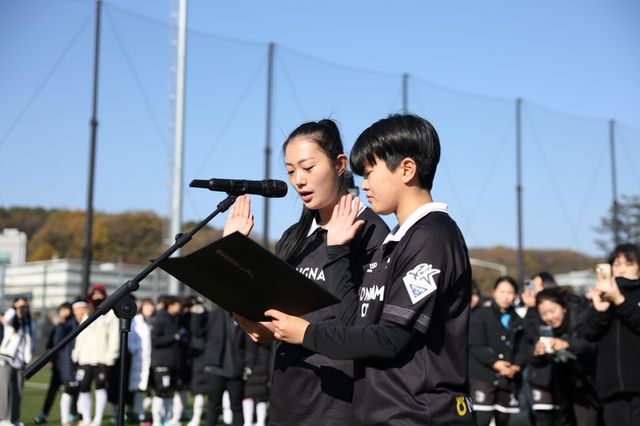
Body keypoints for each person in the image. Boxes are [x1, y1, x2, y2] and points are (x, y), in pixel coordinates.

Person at [262, 114, 475, 425]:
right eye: (291, 171)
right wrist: (336, 252)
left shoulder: (431, 236)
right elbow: (355, 324)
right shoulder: (397, 242)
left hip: (419, 414)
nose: (363, 184)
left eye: (370, 172)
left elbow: (391, 337)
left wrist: (306, 333)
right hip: (381, 413)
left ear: (406, 169)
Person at [228, 119, 389, 425]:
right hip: (287, 400)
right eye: (290, 171)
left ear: (340, 164)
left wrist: (337, 250)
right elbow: (274, 324)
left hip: (339, 406)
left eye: (308, 167)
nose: (298, 180)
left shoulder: (371, 232)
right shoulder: (293, 237)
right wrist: (234, 255)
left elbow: (363, 330)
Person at [584, 243, 640, 426]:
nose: (622, 269)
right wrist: (599, 311)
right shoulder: (601, 296)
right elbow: (588, 334)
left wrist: (620, 301)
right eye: (616, 264)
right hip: (611, 387)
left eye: (629, 264)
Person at [527, 287, 599, 426]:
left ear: (564, 308)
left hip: (586, 385)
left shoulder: (580, 318)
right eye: (544, 314)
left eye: (552, 311)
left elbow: (591, 346)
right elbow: (533, 360)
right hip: (560, 386)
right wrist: (537, 353)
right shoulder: (542, 329)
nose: (549, 317)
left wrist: (567, 344)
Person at [469, 276, 526, 426]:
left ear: (515, 295)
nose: (506, 296)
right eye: (502, 292)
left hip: (508, 380)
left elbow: (523, 347)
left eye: (510, 292)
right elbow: (475, 345)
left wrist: (517, 366)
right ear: (494, 292)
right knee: (481, 419)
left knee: (504, 420)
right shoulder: (480, 315)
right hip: (482, 376)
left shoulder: (518, 320)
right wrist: (495, 363)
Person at [72, 284, 120, 426]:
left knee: (100, 388)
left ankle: (98, 419)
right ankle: (86, 418)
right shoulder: (87, 313)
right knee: (83, 388)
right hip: (85, 358)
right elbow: (80, 335)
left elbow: (114, 337)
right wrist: (76, 354)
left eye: (100, 294)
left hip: (102, 358)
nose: (97, 297)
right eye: (94, 294)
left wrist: (111, 356)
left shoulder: (111, 314)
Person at [34, 303, 78, 425]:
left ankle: (73, 413)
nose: (62, 313)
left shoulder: (73, 324)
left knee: (73, 389)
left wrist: (61, 325)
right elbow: (52, 344)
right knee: (52, 390)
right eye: (61, 310)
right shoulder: (59, 326)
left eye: (65, 310)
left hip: (70, 364)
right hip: (58, 366)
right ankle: (44, 414)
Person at [0, 296, 36, 426]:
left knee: (18, 391)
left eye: (25, 306)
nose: (22, 309)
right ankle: (3, 419)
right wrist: (14, 308)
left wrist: (28, 357)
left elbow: (32, 340)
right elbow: (6, 319)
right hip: (6, 359)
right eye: (19, 306)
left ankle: (14, 419)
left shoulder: (29, 322)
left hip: (21, 362)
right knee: (5, 390)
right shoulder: (11, 319)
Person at [149, 296, 185, 426]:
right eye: (177, 304)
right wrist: (173, 337)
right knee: (161, 392)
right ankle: (157, 421)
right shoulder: (160, 318)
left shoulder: (176, 318)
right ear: (171, 305)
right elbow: (155, 340)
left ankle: (167, 421)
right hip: (162, 362)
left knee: (169, 392)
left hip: (173, 363)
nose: (180, 307)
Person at [129, 298, 155, 425]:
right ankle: (140, 415)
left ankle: (142, 413)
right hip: (138, 360)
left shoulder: (153, 321)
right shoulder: (136, 321)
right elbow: (130, 340)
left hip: (151, 360)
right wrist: (136, 350)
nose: (150, 309)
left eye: (151, 306)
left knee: (147, 388)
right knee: (138, 389)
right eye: (147, 306)